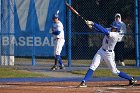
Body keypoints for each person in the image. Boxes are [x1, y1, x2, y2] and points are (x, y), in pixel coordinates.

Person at [78, 20, 137, 87]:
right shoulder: (111, 30)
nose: (112, 28)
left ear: (117, 29)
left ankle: (131, 79)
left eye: (114, 28)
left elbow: (104, 31)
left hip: (109, 54)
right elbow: (101, 30)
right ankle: (84, 81)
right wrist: (92, 27)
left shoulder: (115, 35)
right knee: (93, 65)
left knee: (114, 71)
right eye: (112, 27)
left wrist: (93, 23)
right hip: (101, 51)